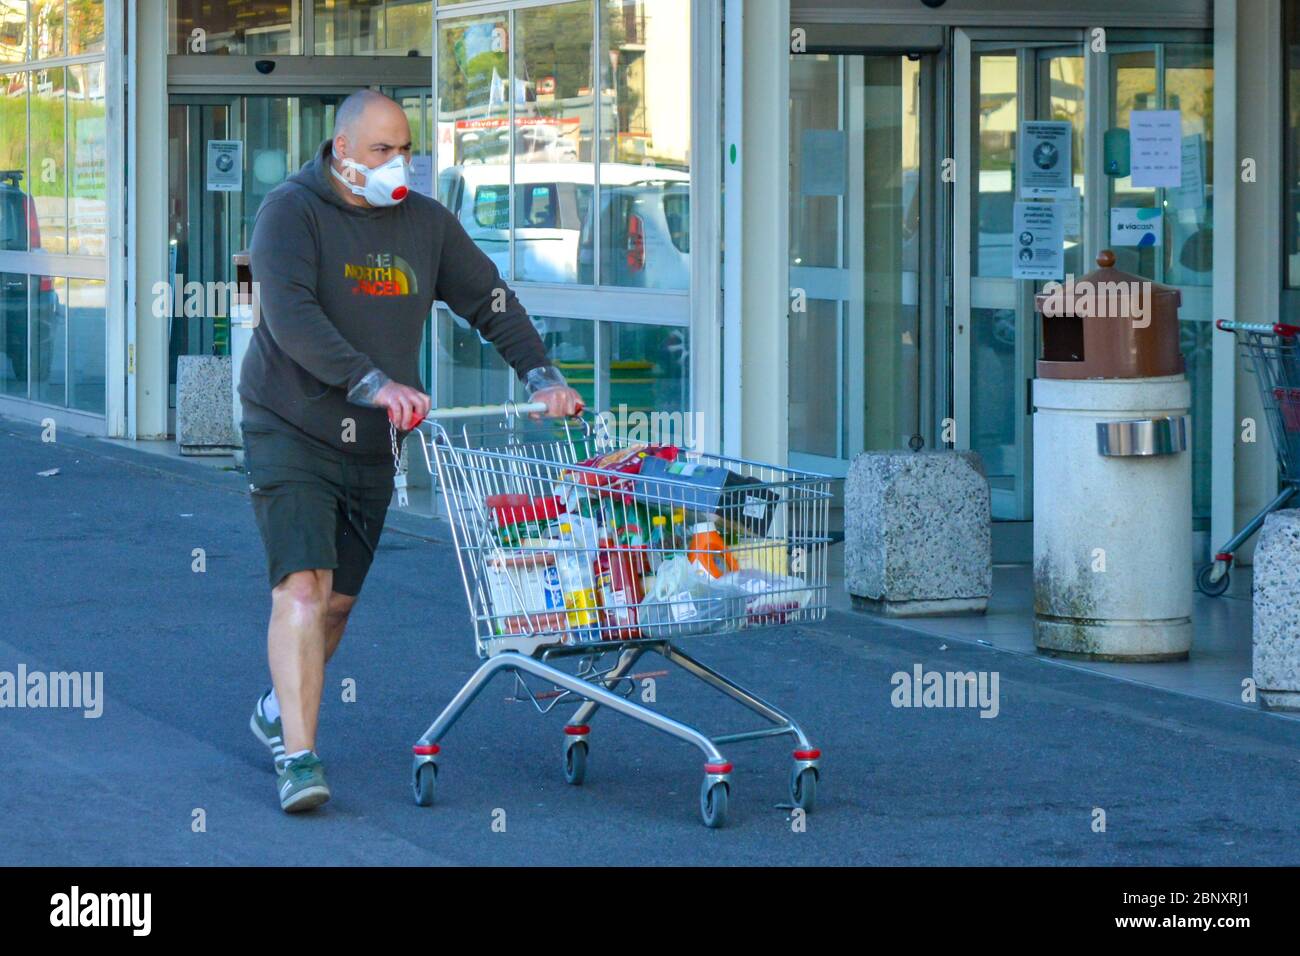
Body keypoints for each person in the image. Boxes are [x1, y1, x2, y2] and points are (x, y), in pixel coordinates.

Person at [239, 89, 582, 812]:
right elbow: (291, 316)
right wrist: (371, 380)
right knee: (301, 588)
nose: (399, 164)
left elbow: (489, 300)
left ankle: (278, 706)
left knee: (335, 606)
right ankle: (299, 758)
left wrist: (541, 374)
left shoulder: (425, 223)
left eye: (406, 149)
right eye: (381, 151)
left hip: (372, 440)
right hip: (290, 423)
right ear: (341, 152)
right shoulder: (290, 213)